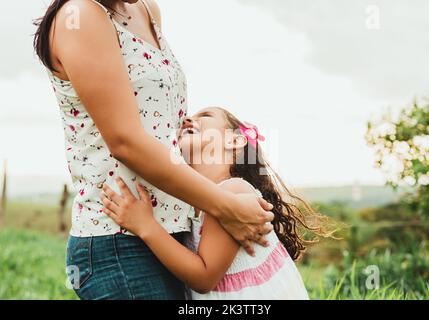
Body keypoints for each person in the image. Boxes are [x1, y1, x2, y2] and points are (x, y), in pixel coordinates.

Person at [33, 0, 273, 300]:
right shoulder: (80, 16)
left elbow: (161, 131)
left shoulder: (147, 11)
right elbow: (126, 143)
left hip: (171, 236)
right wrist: (226, 207)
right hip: (117, 241)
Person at [102, 107, 332, 299]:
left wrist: (146, 226)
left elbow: (204, 277)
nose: (187, 119)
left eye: (206, 115)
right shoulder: (200, 203)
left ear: (235, 140)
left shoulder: (233, 191)